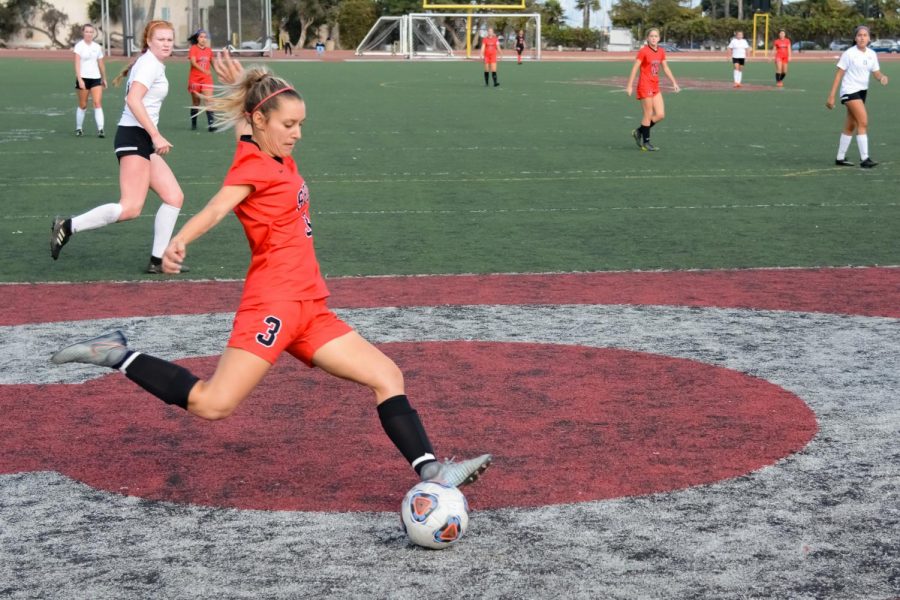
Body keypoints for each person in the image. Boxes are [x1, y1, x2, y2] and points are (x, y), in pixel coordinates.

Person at [50, 50, 493, 494]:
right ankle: (115, 353)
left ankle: (432, 471)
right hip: (273, 303)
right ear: (263, 122)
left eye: (300, 124)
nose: (297, 133)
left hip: (310, 307)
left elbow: (251, 114)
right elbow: (218, 207)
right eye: (289, 125)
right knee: (213, 404)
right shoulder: (252, 166)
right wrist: (180, 240)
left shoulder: (270, 150)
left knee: (387, 376)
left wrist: (242, 79)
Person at [51, 20, 188, 275]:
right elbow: (133, 100)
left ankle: (157, 261)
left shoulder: (152, 63)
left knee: (174, 197)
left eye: (170, 39)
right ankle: (67, 226)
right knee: (131, 207)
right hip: (134, 137)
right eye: (161, 39)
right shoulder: (149, 64)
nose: (167, 44)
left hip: (141, 138)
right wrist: (156, 135)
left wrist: (152, 136)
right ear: (149, 41)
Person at [826, 25, 888, 168]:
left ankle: (840, 158)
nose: (862, 37)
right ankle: (864, 159)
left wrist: (881, 77)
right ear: (855, 38)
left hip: (861, 92)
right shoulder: (849, 53)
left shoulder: (872, 54)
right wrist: (831, 96)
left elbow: (876, 72)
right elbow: (839, 75)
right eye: (859, 35)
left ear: (869, 38)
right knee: (863, 121)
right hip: (849, 91)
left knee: (851, 125)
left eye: (865, 35)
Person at [626, 28, 680, 152]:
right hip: (645, 85)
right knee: (648, 114)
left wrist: (674, 82)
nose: (654, 38)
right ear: (647, 38)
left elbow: (665, 68)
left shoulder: (661, 51)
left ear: (659, 38)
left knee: (660, 115)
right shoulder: (643, 51)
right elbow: (635, 68)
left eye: (656, 36)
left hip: (655, 86)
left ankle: (639, 131)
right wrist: (629, 85)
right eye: (651, 36)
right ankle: (646, 142)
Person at [73, 23, 107, 138]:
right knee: (83, 105)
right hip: (83, 78)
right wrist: (80, 79)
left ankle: (101, 129)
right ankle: (79, 128)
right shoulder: (79, 46)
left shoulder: (97, 47)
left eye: (91, 32)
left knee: (97, 103)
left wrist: (104, 78)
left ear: (94, 33)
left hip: (96, 78)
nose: (89, 34)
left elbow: (101, 64)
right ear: (83, 33)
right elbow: (77, 64)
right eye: (86, 31)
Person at [188, 29, 216, 132]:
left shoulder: (209, 50)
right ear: (197, 38)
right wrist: (204, 70)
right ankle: (194, 123)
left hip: (206, 79)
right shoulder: (193, 49)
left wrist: (219, 72)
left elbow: (213, 62)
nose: (203, 39)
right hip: (195, 79)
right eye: (201, 37)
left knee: (209, 100)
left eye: (205, 37)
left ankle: (211, 125)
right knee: (196, 103)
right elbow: (193, 63)